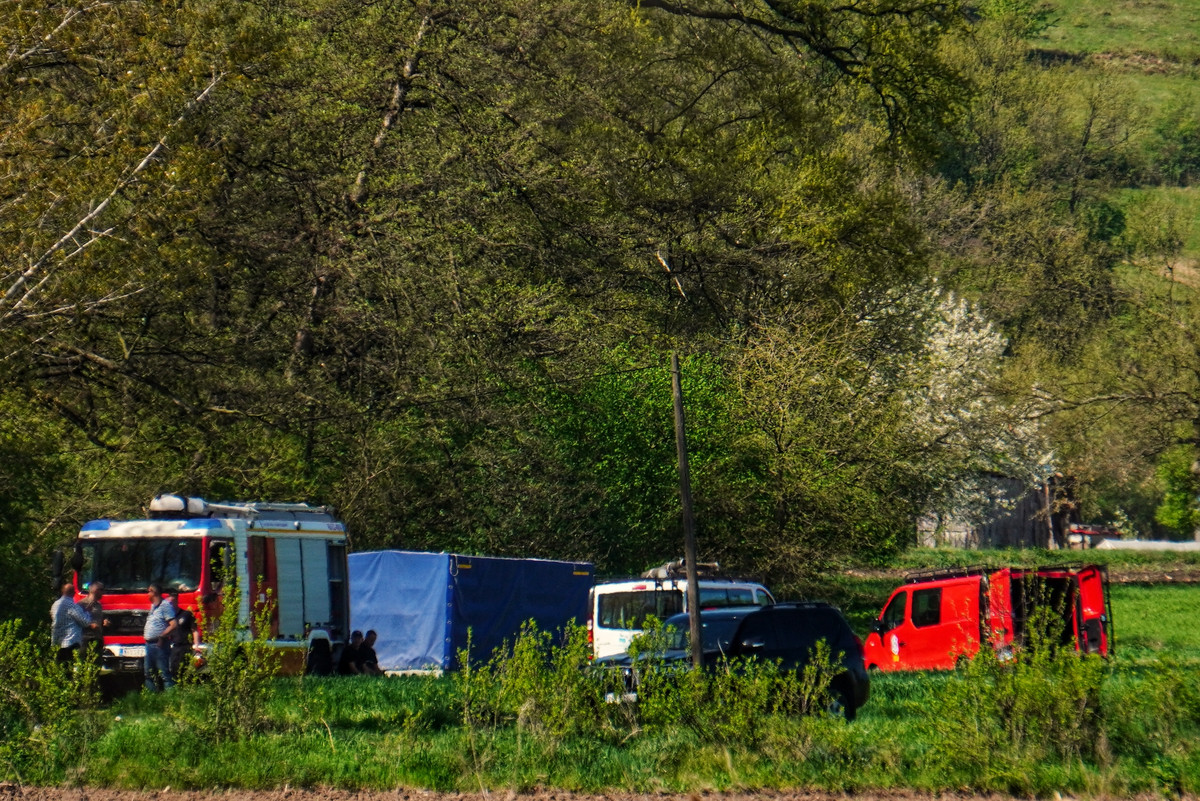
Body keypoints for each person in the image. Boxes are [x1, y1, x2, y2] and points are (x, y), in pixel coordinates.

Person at [142, 583, 178, 691]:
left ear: (154, 592)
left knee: (164, 673)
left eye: (149, 591)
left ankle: (170, 699)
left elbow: (174, 624)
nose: (147, 594)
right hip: (149, 645)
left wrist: (162, 637)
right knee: (149, 673)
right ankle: (152, 699)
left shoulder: (165, 605)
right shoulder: (153, 606)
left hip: (159, 645)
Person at [50, 582, 96, 666]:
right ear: (73, 593)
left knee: (58, 667)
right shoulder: (72, 606)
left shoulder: (55, 604)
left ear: (62, 592)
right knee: (69, 667)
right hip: (70, 642)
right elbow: (85, 622)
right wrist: (88, 612)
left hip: (57, 640)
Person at [165, 588, 201, 680]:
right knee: (174, 671)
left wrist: (196, 644)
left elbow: (194, 630)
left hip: (186, 646)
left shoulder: (186, 614)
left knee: (186, 671)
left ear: (177, 600)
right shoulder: (169, 618)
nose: (170, 605)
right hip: (174, 647)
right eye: (169, 603)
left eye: (172, 602)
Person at [78, 582, 107, 665]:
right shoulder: (82, 604)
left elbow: (98, 619)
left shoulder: (99, 605)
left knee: (97, 665)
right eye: (101, 590)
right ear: (95, 590)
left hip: (97, 638)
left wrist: (103, 622)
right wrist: (90, 625)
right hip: (85, 639)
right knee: (83, 664)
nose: (103, 592)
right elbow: (77, 619)